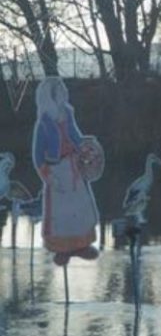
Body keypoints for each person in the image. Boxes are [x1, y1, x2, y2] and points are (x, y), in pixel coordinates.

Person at [31, 77, 104, 265]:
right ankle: (61, 248)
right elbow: (38, 155)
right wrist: (46, 174)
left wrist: (86, 145)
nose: (64, 95)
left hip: (73, 167)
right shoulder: (43, 124)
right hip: (56, 171)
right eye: (59, 92)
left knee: (79, 207)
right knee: (60, 212)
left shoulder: (67, 114)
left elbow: (75, 136)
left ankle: (81, 245)